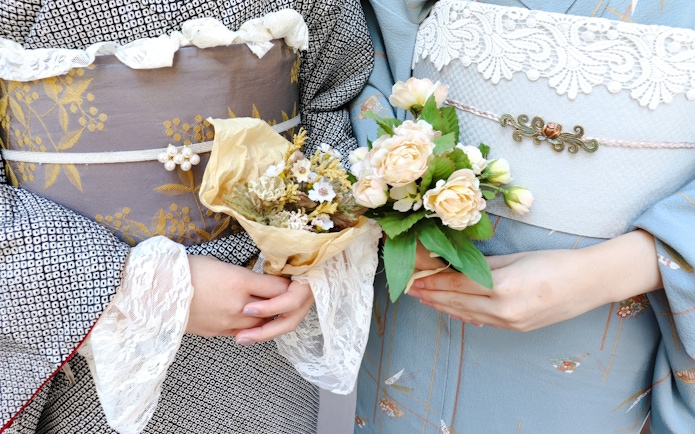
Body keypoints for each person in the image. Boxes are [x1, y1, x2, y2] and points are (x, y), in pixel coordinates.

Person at [0, 1, 373, 433]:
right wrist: (141, 286)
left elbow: (330, 96)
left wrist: (314, 245)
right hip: (68, 323)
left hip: (262, 307)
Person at [350, 0, 695, 432]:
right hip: (425, 268)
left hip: (622, 305)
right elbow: (368, 49)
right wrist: (392, 198)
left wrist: (608, 272)